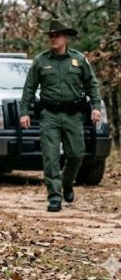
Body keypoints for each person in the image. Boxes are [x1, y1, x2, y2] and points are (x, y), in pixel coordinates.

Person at [20, 19, 101, 213]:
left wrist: (96, 107)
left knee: (76, 154)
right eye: (51, 36)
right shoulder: (41, 61)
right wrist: (24, 112)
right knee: (51, 156)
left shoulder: (79, 60)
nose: (53, 39)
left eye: (57, 35)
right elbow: (29, 88)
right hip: (50, 115)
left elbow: (92, 84)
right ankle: (54, 197)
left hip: (73, 114)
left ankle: (67, 183)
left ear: (65, 38)